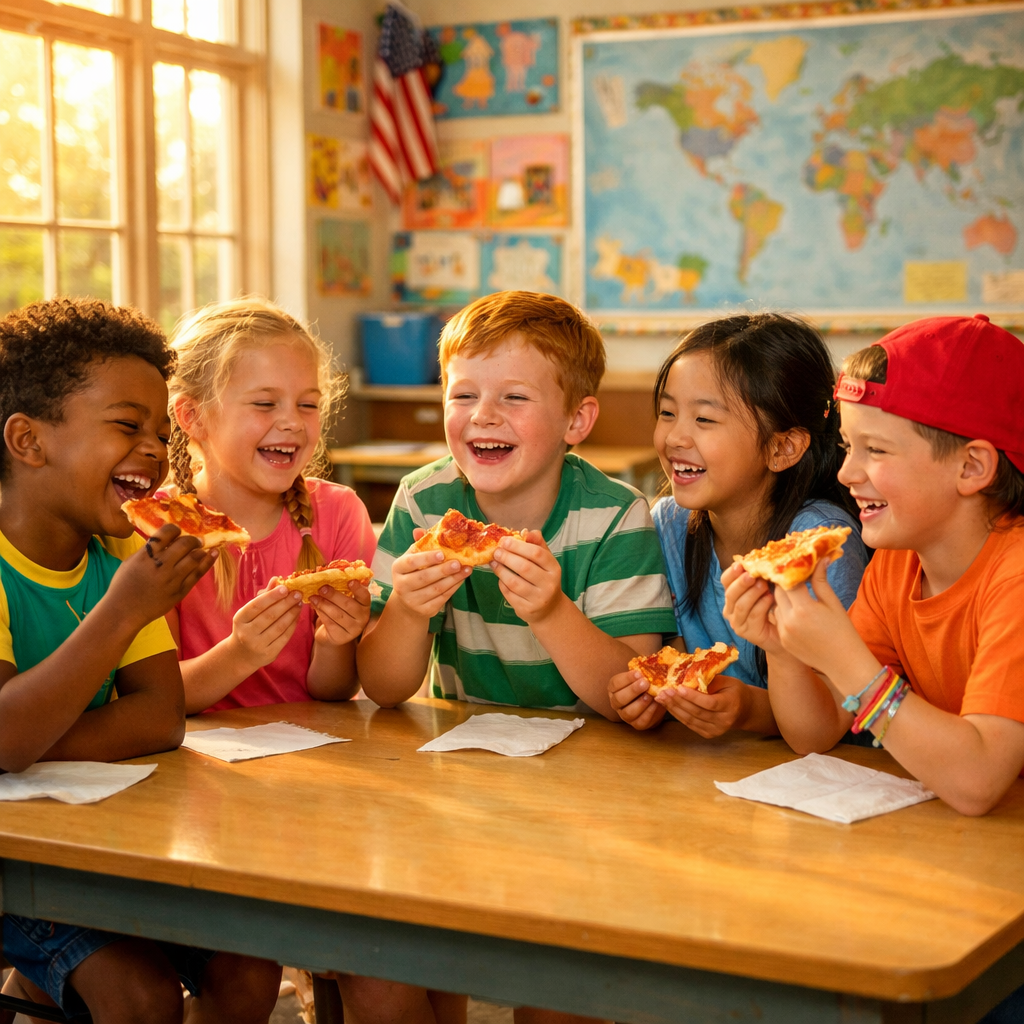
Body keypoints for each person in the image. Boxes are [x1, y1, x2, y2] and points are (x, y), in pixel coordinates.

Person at [354, 290, 676, 1024]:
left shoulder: (614, 515)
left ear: (577, 421)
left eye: (514, 397)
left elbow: (629, 697)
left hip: (594, 791)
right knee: (395, 970)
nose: (482, 415)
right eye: (462, 393)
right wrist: (406, 608)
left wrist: (552, 611)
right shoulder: (423, 499)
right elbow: (383, 685)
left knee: (560, 996)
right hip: (454, 775)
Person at [0, 298, 281, 1024]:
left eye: (160, 432)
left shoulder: (123, 548)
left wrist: (27, 747)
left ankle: (39, 988)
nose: (156, 451)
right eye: (127, 426)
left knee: (251, 969)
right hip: (18, 864)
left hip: (110, 841)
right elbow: (7, 738)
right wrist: (123, 609)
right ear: (28, 442)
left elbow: (160, 719)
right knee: (140, 995)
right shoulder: (108, 577)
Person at [722, 313, 1024, 814]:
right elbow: (816, 734)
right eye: (846, 446)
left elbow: (978, 780)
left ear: (971, 467)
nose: (846, 472)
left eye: (876, 450)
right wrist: (783, 650)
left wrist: (848, 662)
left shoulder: (1015, 576)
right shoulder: (897, 564)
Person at [609, 313, 868, 738]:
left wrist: (750, 709)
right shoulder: (668, 524)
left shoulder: (820, 547)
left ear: (783, 447)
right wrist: (649, 697)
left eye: (704, 420)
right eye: (667, 412)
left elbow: (844, 710)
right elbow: (670, 652)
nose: (674, 437)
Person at [164, 299, 376, 714]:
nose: (293, 422)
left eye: (308, 404)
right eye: (265, 404)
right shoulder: (159, 528)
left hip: (310, 760)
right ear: (193, 416)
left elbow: (334, 691)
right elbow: (159, 696)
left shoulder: (339, 512)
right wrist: (240, 653)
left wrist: (335, 640)